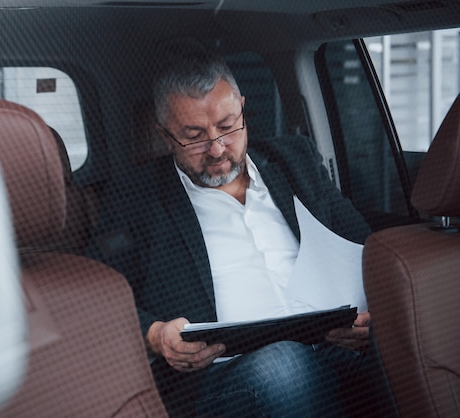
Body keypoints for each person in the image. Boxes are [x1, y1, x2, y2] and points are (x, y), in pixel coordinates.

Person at [88, 41, 396, 417]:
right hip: (227, 377)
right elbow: (99, 299)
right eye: (194, 135)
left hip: (336, 347)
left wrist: (371, 318)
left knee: (409, 344)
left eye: (227, 126)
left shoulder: (294, 161)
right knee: (282, 366)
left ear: (243, 109)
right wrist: (155, 335)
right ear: (165, 136)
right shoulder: (135, 197)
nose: (217, 149)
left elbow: (365, 249)